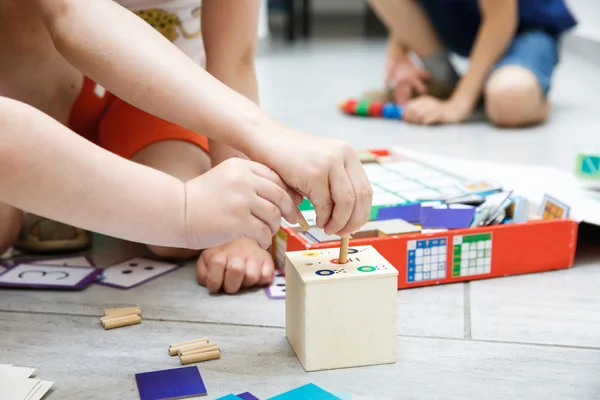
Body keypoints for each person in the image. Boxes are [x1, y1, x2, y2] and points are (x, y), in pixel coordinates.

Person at [0, 0, 372, 292]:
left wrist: (243, 231)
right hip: (35, 89)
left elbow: (233, 61)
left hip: (156, 98)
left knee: (184, 235)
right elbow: (73, 14)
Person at [366, 0, 577, 127]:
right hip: (463, 21)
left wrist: (458, 105)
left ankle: (529, 98)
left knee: (509, 101)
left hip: (527, 28)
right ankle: (446, 82)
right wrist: (399, 52)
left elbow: (500, 17)